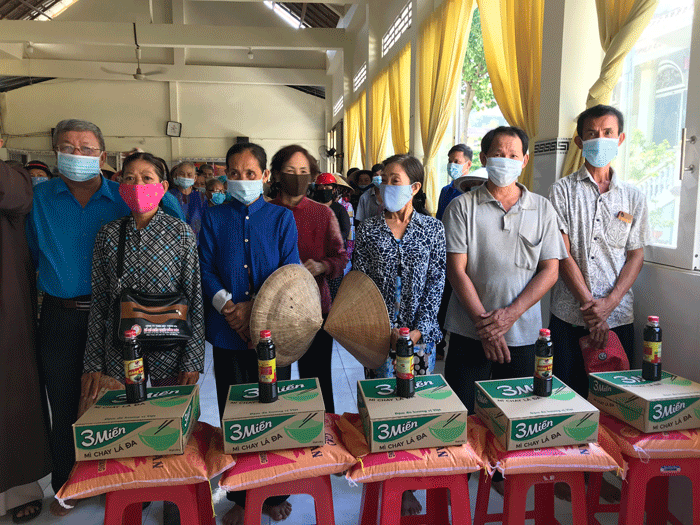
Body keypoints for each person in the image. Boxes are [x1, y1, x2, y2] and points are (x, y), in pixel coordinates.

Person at [25, 119, 184, 517]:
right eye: (67, 147)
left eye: (85, 148)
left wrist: (159, 188)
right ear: (54, 151)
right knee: (63, 405)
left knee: (121, 402)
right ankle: (67, 483)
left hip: (116, 320)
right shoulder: (40, 199)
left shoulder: (123, 194)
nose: (76, 155)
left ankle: (121, 478)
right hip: (60, 317)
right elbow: (30, 253)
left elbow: (172, 219)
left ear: (102, 155)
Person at [199, 142, 300, 525]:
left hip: (272, 333)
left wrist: (253, 309)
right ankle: (241, 494)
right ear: (226, 176)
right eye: (235, 174)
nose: (242, 181)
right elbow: (205, 267)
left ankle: (274, 493)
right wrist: (228, 306)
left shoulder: (280, 219)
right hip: (226, 333)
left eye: (250, 174)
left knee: (273, 411)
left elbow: (287, 273)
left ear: (265, 177)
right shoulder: (213, 217)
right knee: (234, 412)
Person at [442, 126, 567, 415]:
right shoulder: (462, 207)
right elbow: (456, 271)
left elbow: (550, 270)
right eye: (498, 154)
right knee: (462, 415)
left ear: (524, 161)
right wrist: (487, 329)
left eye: (513, 155)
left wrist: (509, 317)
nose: (505, 160)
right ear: (484, 158)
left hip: (522, 335)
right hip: (468, 331)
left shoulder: (543, 209)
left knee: (515, 415)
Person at [353, 154, 445, 516]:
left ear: (415, 187)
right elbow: (359, 284)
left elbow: (437, 282)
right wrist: (383, 328)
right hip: (377, 337)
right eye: (383, 180)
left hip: (420, 339)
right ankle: (382, 474)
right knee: (381, 410)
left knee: (413, 409)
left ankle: (407, 481)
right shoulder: (368, 229)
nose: (387, 187)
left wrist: (418, 329)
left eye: (395, 180)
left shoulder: (432, 229)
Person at [549, 105, 649, 398]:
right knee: (566, 399)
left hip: (618, 319)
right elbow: (562, 253)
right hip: (569, 315)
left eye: (607, 133)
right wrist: (591, 307)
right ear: (579, 142)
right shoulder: (562, 190)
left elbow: (635, 256)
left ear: (620, 139)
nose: (600, 139)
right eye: (592, 134)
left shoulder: (633, 197)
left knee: (615, 402)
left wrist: (609, 304)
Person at [270, 145, 347, 414]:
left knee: (316, 381)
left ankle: (323, 440)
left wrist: (322, 265)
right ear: (277, 175)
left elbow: (340, 257)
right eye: (290, 171)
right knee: (275, 384)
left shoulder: (323, 214)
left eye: (303, 171)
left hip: (316, 309)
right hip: (274, 312)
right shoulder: (265, 214)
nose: (297, 177)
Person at [0, 151, 51, 523]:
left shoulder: (14, 178)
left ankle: (18, 488)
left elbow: (14, 196)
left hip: (7, 307)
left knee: (12, 392)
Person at [312, 173, 352, 300]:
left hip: (333, 259)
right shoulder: (312, 208)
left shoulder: (340, 210)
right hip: (314, 260)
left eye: (327, 187)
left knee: (333, 297)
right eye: (320, 187)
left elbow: (345, 231)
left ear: (334, 189)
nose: (324, 190)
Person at [436, 144, 475, 221]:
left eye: (456, 162)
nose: (451, 165)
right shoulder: (445, 190)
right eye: (450, 162)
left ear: (468, 164)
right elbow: (439, 220)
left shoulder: (473, 191)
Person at [169, 161, 207, 238]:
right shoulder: (169, 196)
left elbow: (205, 222)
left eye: (189, 175)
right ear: (176, 176)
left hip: (196, 242)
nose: (185, 177)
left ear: (195, 178)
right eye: (182, 174)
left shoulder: (201, 197)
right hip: (173, 241)